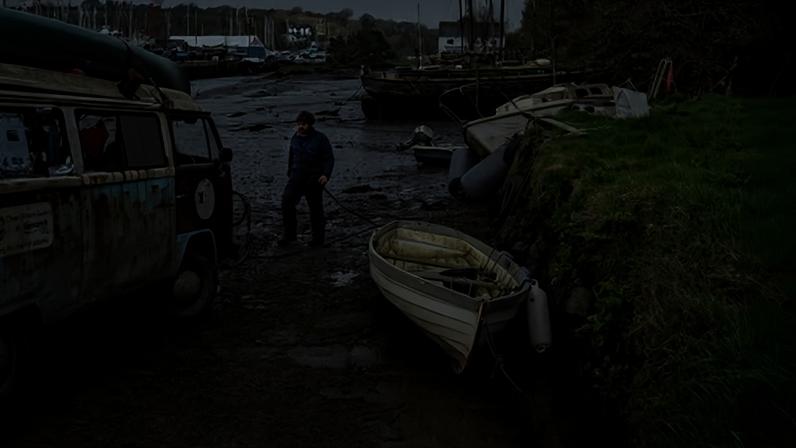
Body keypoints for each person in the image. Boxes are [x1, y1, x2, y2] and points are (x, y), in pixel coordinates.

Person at [279, 111, 334, 247]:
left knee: (315, 210)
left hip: (314, 178)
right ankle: (289, 235)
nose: (300, 127)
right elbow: (292, 156)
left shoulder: (320, 139)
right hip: (296, 176)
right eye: (298, 124)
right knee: (287, 202)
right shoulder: (295, 138)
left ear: (310, 124)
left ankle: (318, 240)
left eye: (303, 124)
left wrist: (325, 175)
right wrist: (290, 171)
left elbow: (329, 158)